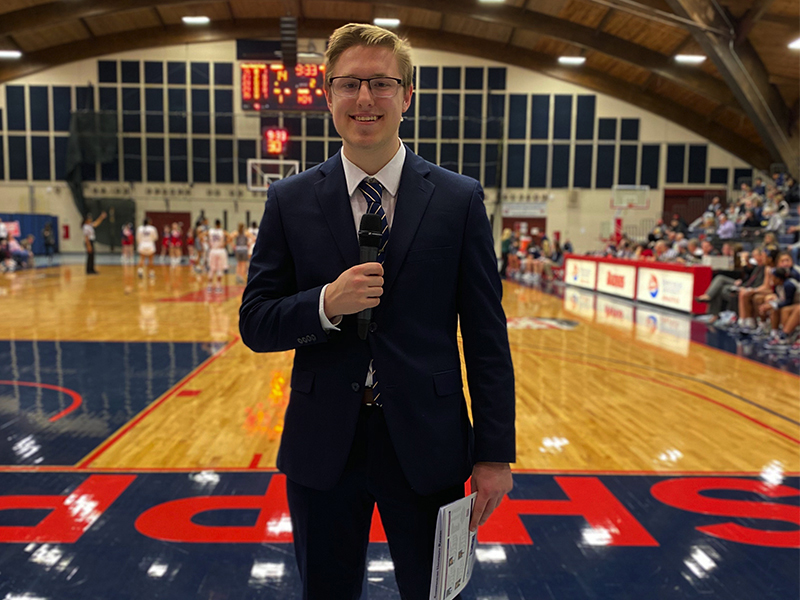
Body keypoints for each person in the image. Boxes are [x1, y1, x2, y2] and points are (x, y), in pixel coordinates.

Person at [239, 23, 515, 600]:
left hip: (429, 441)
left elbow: (487, 338)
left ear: (407, 95)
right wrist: (325, 304)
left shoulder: (458, 200)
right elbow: (256, 322)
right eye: (350, 85)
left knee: (435, 593)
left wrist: (493, 455)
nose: (365, 99)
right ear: (329, 95)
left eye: (382, 84)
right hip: (324, 443)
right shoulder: (289, 200)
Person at [206, 219, 228, 292]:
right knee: (219, 269)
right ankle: (218, 287)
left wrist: (207, 242)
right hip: (220, 250)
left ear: (215, 224)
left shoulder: (210, 231)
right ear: (220, 224)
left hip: (213, 250)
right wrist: (225, 243)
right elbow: (230, 237)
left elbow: (200, 235)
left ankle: (209, 287)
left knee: (212, 269)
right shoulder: (222, 231)